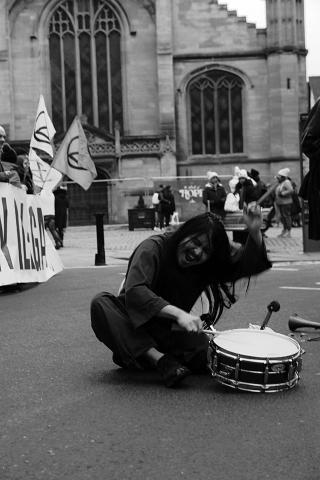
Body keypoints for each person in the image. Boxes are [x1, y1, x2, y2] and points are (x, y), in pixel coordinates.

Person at [91, 206, 271, 388]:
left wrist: (255, 231)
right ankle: (159, 360)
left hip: (170, 335)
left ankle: (161, 360)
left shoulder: (204, 265)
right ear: (184, 233)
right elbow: (136, 291)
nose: (198, 252)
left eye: (206, 250)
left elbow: (244, 266)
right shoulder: (153, 247)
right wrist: (179, 315)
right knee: (101, 303)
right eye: (195, 242)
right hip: (132, 329)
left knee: (207, 353)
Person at [274, 168, 293, 238]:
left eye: (279, 177)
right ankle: (284, 230)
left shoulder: (287, 182)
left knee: (286, 216)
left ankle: (288, 231)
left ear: (283, 177)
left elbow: (291, 190)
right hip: (281, 202)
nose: (278, 179)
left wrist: (283, 193)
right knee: (283, 217)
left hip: (286, 203)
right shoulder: (281, 183)